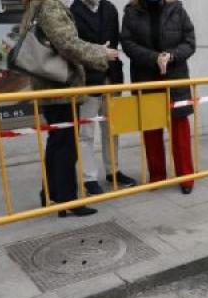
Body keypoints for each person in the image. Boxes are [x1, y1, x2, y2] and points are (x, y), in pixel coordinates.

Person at [21, 0, 119, 217]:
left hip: (50, 87)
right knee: (66, 146)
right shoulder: (50, 6)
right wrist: (100, 52)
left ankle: (51, 194)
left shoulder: (35, 6)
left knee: (57, 143)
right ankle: (66, 199)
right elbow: (68, 44)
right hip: (60, 87)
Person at [121, 0, 196, 194]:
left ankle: (186, 177)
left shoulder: (177, 9)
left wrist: (170, 56)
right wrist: (154, 58)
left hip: (175, 77)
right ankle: (157, 177)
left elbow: (189, 42)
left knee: (180, 129)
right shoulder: (132, 12)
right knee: (151, 130)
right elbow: (127, 44)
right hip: (146, 78)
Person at [70, 0, 137, 195]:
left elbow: (115, 43)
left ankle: (113, 170)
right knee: (86, 133)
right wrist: (100, 52)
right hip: (87, 81)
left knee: (112, 129)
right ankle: (89, 178)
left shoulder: (110, 9)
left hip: (112, 77)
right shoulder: (73, 12)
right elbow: (74, 49)